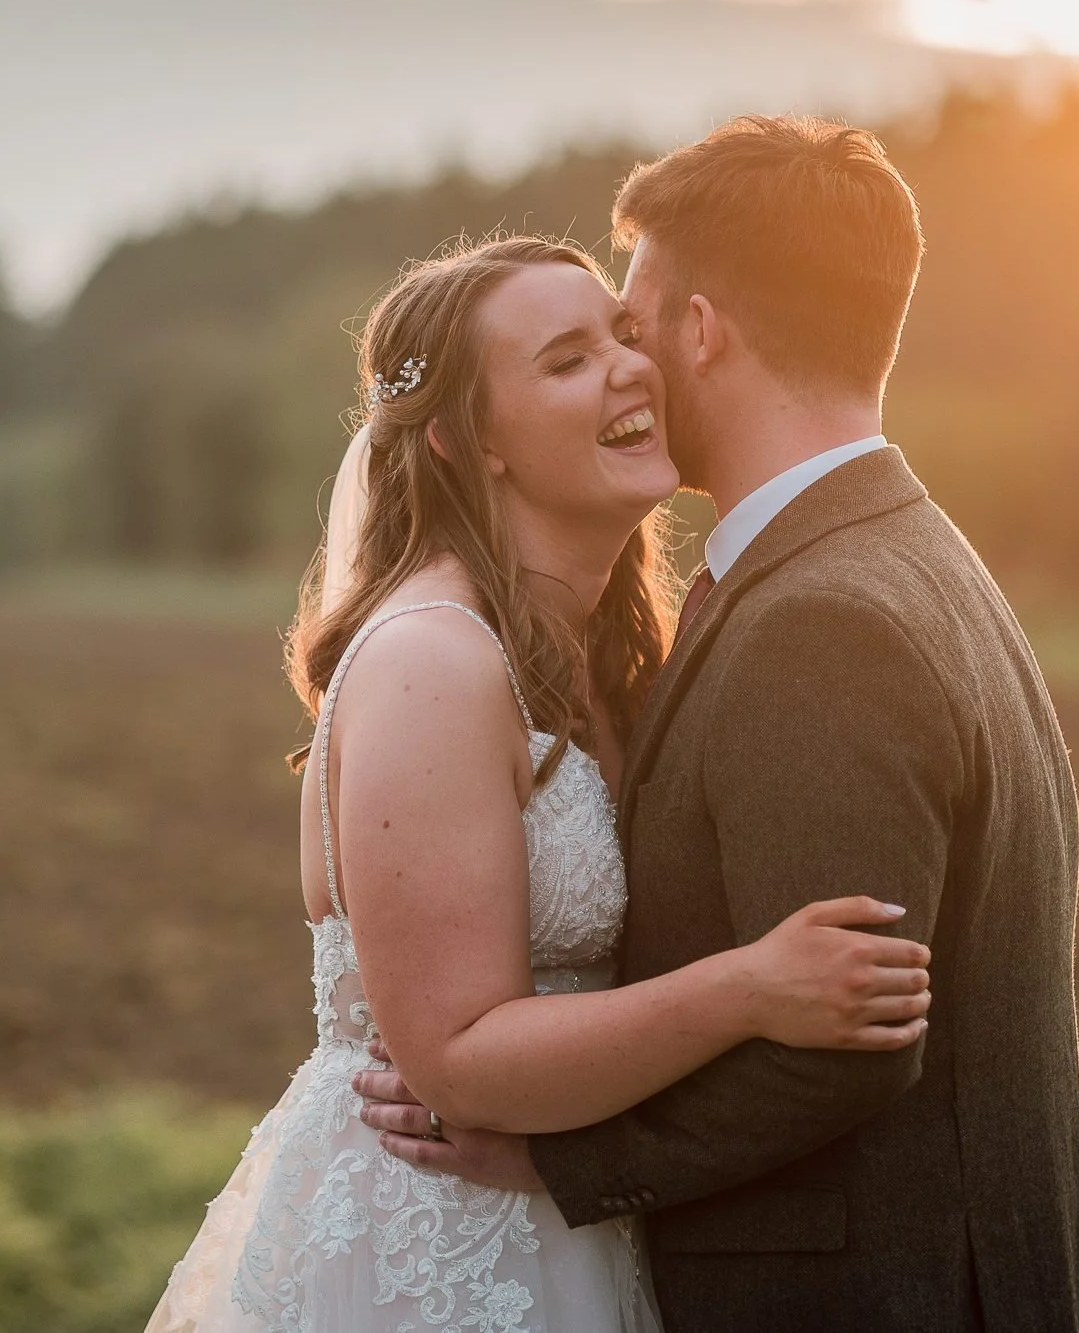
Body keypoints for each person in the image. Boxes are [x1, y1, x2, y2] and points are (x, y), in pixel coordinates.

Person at [355, 118, 1079, 1329]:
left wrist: (565, 1166)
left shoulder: (822, 620)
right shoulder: (898, 549)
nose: (631, 362)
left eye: (634, 321)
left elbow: (848, 1035)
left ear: (700, 331)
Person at [147, 235, 934, 1333]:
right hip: (434, 1243)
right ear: (472, 442)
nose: (629, 368)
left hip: (574, 1222)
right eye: (566, 360)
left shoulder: (615, 652)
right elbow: (459, 1058)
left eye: (621, 332)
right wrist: (753, 986)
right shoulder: (434, 658)